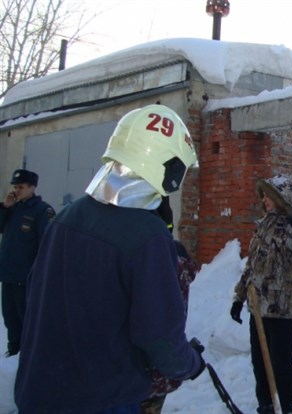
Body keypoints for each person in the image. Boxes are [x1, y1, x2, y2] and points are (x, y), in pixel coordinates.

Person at [14, 104, 205, 414]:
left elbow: (36, 291)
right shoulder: (147, 234)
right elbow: (158, 335)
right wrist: (190, 363)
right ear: (167, 168)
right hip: (102, 399)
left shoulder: (66, 216)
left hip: (39, 391)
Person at [230, 176, 292, 414]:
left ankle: (290, 406)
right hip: (258, 305)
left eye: (270, 196)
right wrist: (238, 298)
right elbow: (253, 265)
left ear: (282, 198)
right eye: (264, 196)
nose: (265, 200)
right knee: (260, 362)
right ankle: (266, 406)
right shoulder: (263, 224)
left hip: (285, 306)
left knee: (282, 363)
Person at [140, 196, 199, 414]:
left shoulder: (167, 261)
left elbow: (165, 327)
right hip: (138, 375)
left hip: (132, 375)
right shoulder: (170, 261)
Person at [0, 169, 55, 357]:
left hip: (26, 277)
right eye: (15, 187)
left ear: (32, 187)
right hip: (8, 274)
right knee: (10, 318)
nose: (17, 190)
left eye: (21, 187)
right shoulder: (13, 208)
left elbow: (47, 244)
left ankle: (29, 356)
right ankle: (13, 350)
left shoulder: (42, 211)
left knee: (27, 319)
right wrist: (4, 207)